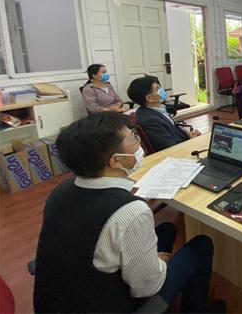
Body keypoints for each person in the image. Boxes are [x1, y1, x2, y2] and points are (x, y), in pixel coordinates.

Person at [33, 112, 225, 313]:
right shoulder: (130, 212)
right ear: (116, 161)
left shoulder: (61, 190)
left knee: (167, 229)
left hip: (62, 297)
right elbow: (146, 288)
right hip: (103, 304)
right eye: (134, 137)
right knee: (201, 246)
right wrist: (158, 264)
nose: (139, 141)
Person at [128, 76, 199, 152]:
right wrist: (192, 140)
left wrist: (188, 134)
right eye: (157, 89)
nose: (162, 90)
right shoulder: (151, 120)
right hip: (180, 151)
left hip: (183, 142)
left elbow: (173, 128)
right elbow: (170, 148)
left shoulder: (154, 110)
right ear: (149, 98)